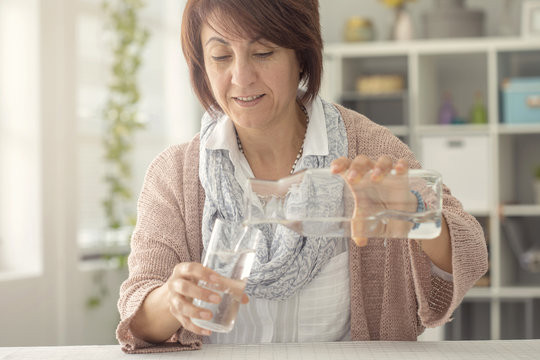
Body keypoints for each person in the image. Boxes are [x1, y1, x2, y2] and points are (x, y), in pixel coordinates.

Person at [116, 0, 488, 353]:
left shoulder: (368, 148)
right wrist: (171, 300)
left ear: (302, 56)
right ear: (201, 65)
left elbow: (469, 252)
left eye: (263, 53)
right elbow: (138, 310)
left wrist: (418, 214)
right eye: (221, 56)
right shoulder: (175, 173)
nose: (241, 77)